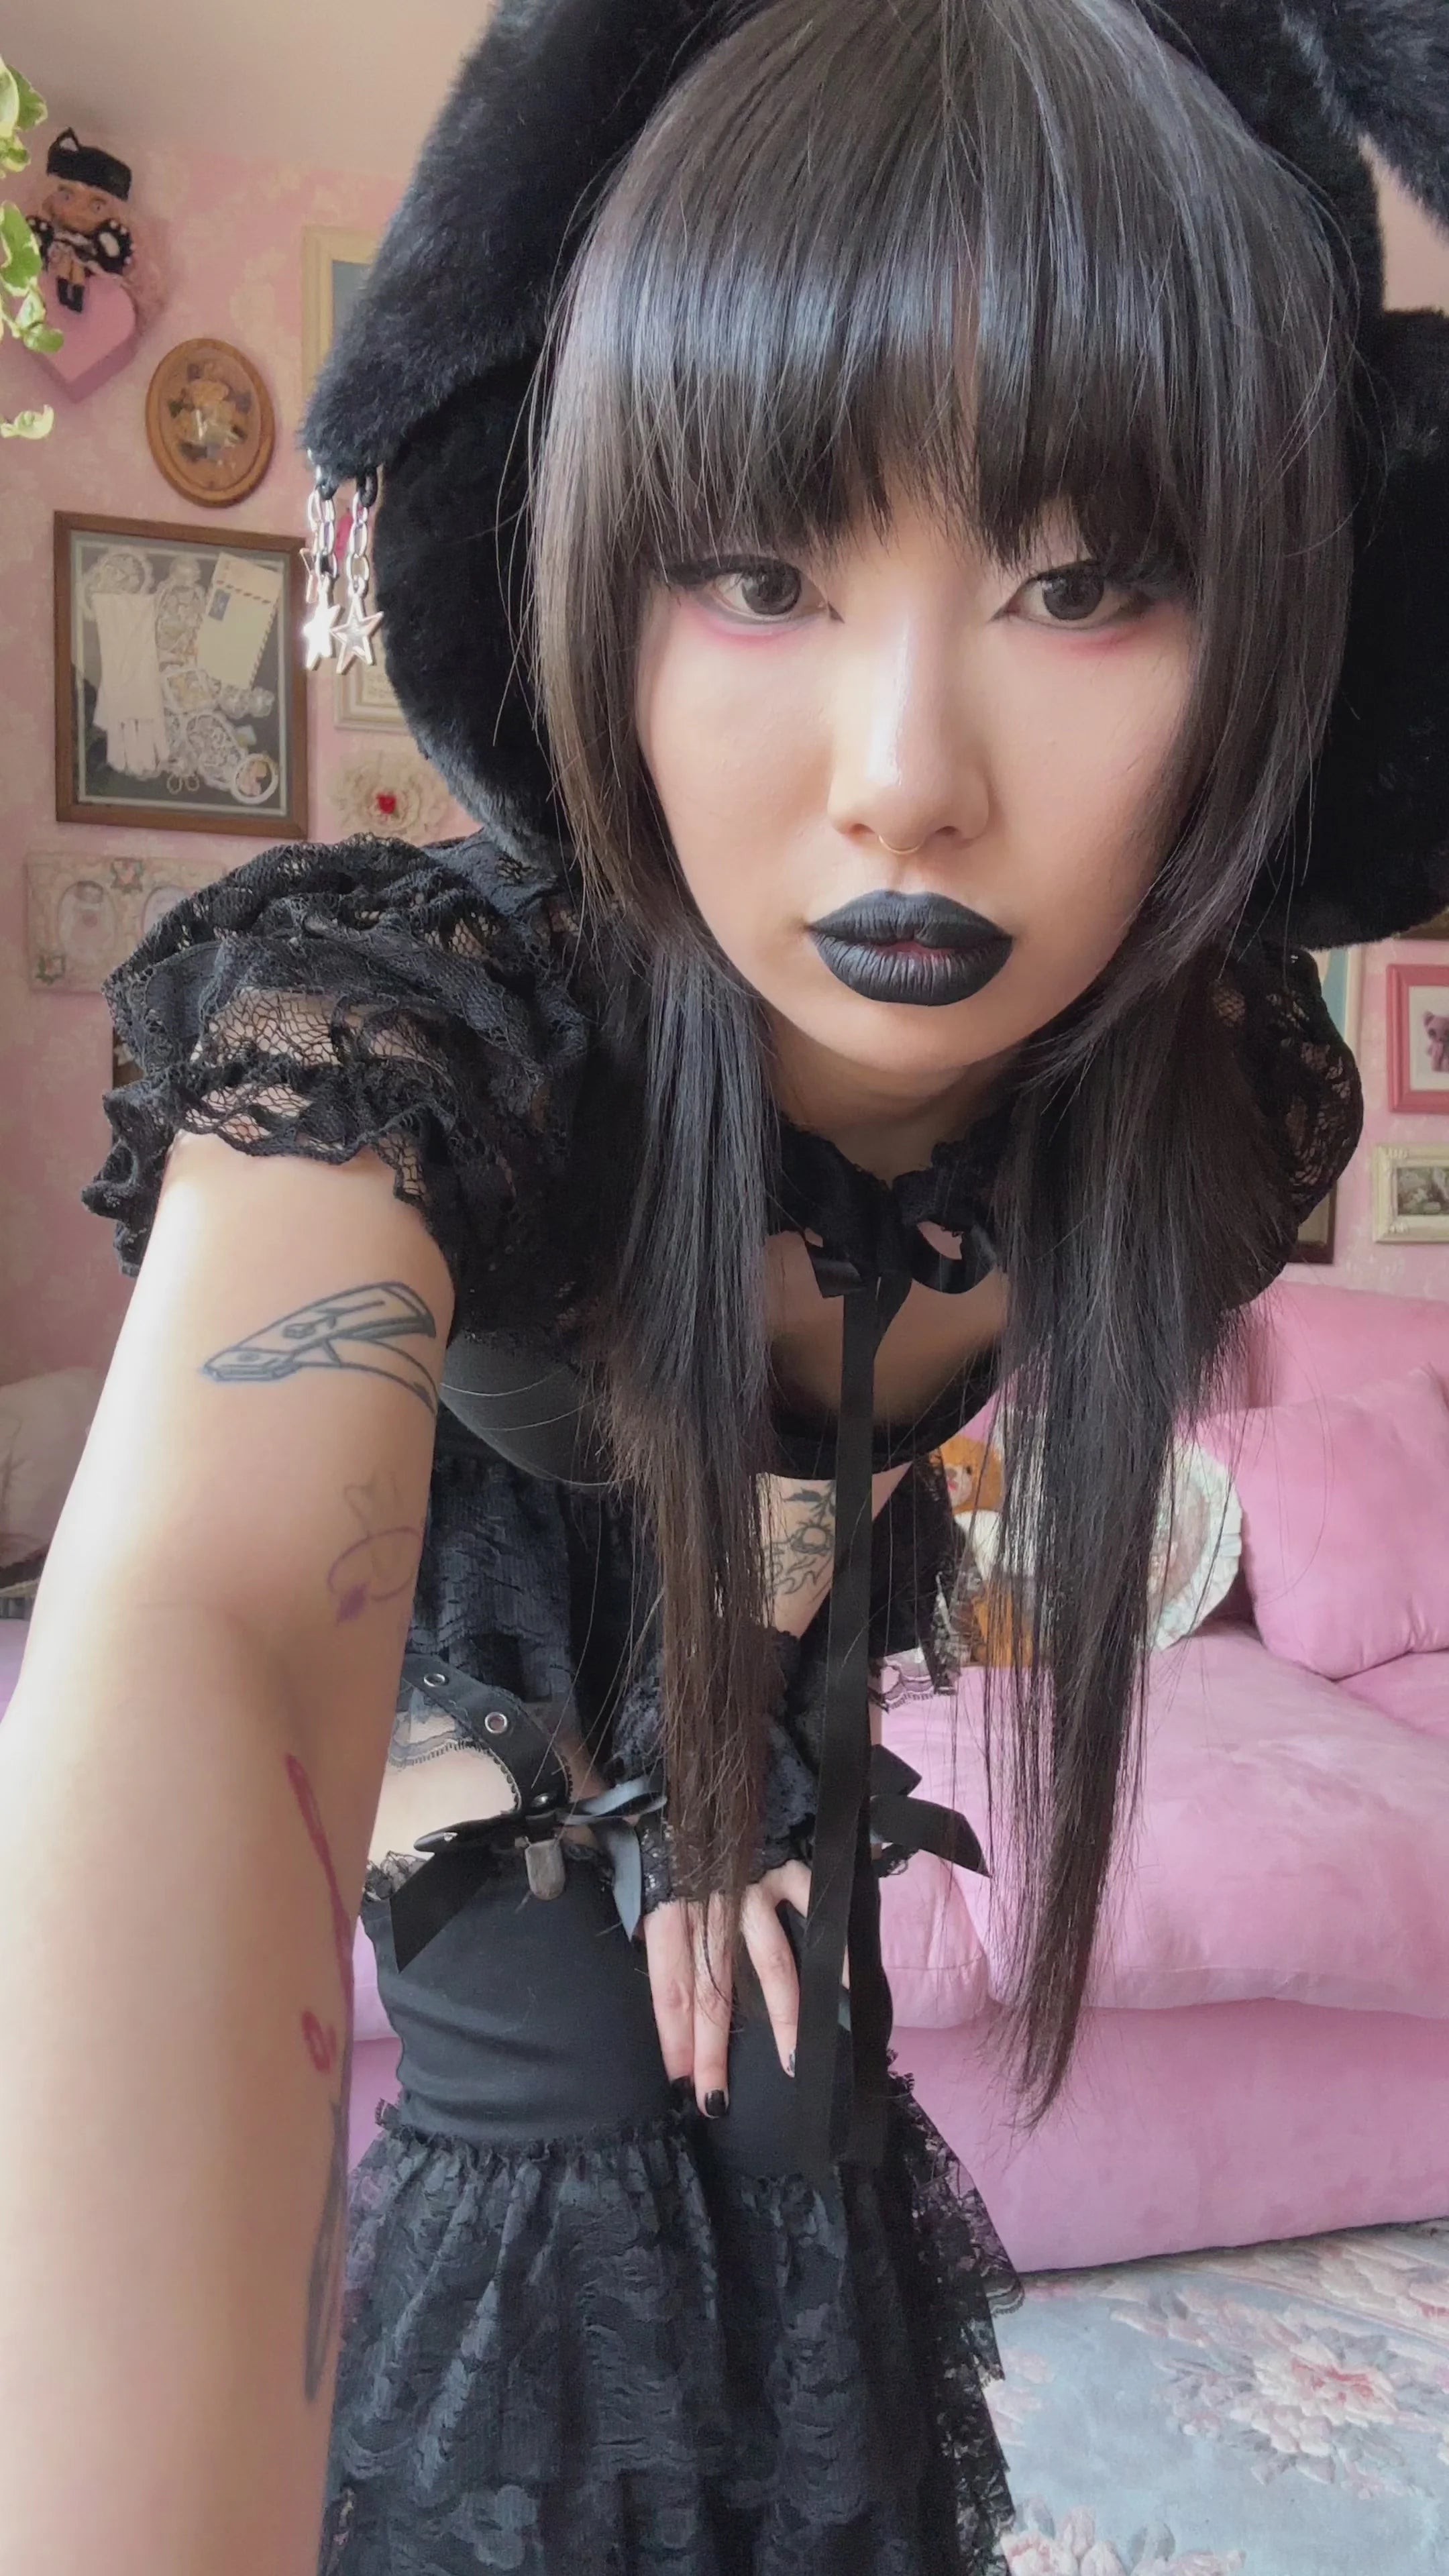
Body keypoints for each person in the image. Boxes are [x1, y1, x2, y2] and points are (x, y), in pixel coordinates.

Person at [2, 0, 1446, 2571]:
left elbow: (840, 1490)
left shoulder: (1195, 1112)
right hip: (473, 1723)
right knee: (552, 2106)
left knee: (802, 2103)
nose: (905, 775)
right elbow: (207, 1627)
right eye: (764, 573)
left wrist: (728, 1780)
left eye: (1082, 582)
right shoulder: (415, 1027)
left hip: (743, 1731)